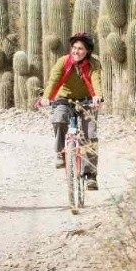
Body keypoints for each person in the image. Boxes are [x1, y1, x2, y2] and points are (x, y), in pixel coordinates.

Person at [38, 32, 103, 190]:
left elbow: (96, 80)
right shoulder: (63, 61)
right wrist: (46, 97)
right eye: (74, 47)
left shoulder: (94, 64)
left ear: (87, 51)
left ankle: (91, 175)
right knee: (59, 118)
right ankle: (60, 152)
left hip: (86, 100)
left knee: (91, 135)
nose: (76, 51)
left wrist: (98, 96)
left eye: (80, 48)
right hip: (64, 98)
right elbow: (53, 80)